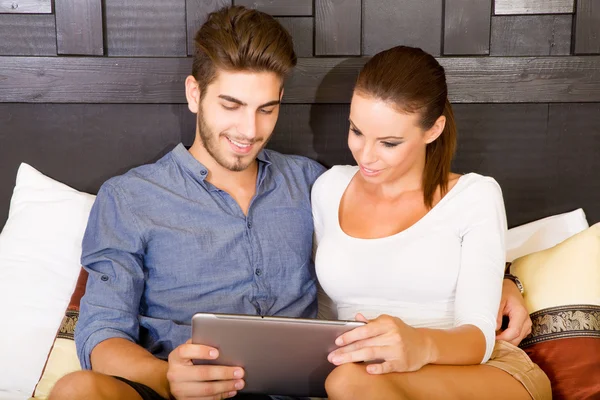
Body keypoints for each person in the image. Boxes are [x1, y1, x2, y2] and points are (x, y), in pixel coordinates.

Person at [48, 6, 532, 400]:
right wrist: (164, 378)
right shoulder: (130, 198)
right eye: (231, 105)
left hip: (304, 389)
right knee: (75, 390)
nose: (249, 131)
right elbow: (102, 335)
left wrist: (502, 280)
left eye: (267, 109)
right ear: (195, 94)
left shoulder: (310, 184)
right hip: (174, 389)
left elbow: (401, 232)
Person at [312, 46, 551, 400]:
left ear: (433, 129)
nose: (365, 155)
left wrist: (418, 344)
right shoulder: (328, 188)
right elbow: (325, 314)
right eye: (356, 131)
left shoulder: (474, 195)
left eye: (389, 143)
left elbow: (479, 339)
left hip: (478, 370)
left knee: (348, 383)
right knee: (348, 381)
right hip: (366, 375)